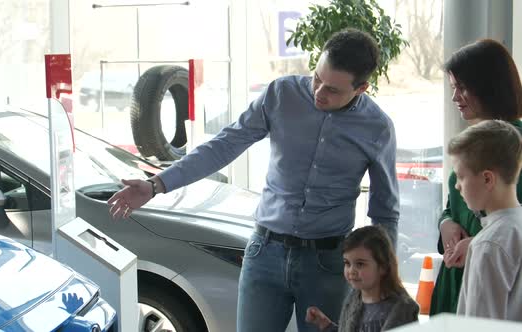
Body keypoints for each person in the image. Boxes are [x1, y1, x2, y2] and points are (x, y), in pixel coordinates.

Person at [108, 28, 400, 332]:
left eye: (333, 90)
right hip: (265, 255)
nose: (319, 92)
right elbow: (224, 145)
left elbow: (385, 212)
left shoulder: (377, 128)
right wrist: (157, 185)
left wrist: (384, 282)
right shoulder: (281, 94)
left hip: (327, 265)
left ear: (361, 88)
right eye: (317, 78)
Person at [430, 38, 522, 315]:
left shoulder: (515, 143)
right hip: (457, 275)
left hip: (496, 269)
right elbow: (453, 204)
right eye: (452, 88)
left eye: (462, 88)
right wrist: (445, 222)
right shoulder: (468, 142)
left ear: (488, 86)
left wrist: (485, 243)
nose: (455, 97)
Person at [446, 120, 522, 320]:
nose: (457, 186)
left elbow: (480, 325)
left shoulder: (488, 244)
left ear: (488, 179)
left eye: (461, 177)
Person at [305, 225, 419, 332]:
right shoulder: (354, 299)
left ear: (383, 266)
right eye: (347, 263)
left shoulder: (401, 311)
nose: (351, 271)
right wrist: (325, 324)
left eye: (360, 264)